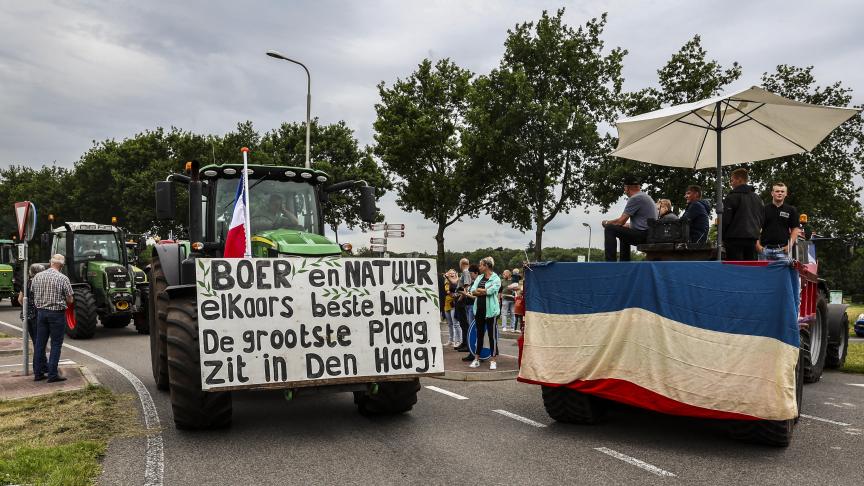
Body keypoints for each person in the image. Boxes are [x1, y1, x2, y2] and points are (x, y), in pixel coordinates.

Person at [31, 254, 74, 382]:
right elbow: (70, 299)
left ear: (50, 262)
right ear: (61, 265)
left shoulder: (37, 276)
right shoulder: (63, 278)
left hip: (41, 313)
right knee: (55, 344)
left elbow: (33, 292)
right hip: (56, 314)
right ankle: (52, 374)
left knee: (40, 344)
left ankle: (38, 373)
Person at [602, 176, 657, 261]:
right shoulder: (645, 197)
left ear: (627, 188)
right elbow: (640, 223)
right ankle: (624, 262)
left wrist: (606, 223)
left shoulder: (635, 198)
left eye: (624, 188)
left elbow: (620, 221)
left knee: (610, 229)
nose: (624, 190)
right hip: (649, 234)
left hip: (643, 235)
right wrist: (626, 225)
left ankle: (610, 263)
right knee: (623, 231)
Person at [722, 168, 764, 261]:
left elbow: (725, 221)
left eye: (732, 180)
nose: (731, 183)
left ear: (739, 180)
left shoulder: (731, 197)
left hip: (733, 241)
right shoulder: (758, 199)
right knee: (750, 270)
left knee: (735, 271)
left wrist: (722, 238)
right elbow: (762, 219)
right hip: (752, 240)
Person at [468, 257, 501, 370]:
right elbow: (472, 290)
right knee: (479, 335)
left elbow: (492, 291)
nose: (479, 267)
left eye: (481, 265)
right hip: (479, 310)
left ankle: (493, 360)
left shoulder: (496, 278)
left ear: (487, 266)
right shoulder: (480, 277)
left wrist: (481, 290)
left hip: (491, 312)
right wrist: (484, 291)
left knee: (492, 336)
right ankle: (476, 359)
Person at [757, 182, 802, 261]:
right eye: (777, 191)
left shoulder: (791, 210)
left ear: (786, 194)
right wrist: (757, 246)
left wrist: (789, 245)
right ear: (772, 193)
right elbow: (756, 227)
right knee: (764, 273)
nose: (780, 193)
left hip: (782, 251)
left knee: (782, 273)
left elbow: (795, 229)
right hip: (765, 250)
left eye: (782, 191)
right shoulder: (763, 209)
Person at [18, 263, 45, 350]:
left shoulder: (27, 283)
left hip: (27, 314)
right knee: (40, 340)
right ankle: (40, 361)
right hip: (38, 314)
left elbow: (20, 299)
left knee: (34, 339)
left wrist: (27, 307)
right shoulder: (41, 283)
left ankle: (38, 360)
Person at [453, 258, 473, 353]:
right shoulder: (466, 272)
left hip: (462, 300)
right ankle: (464, 342)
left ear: (461, 264)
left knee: (464, 323)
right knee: (462, 323)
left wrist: (460, 297)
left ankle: (466, 343)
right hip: (461, 299)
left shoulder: (465, 272)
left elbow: (466, 286)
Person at [442, 270, 462, 348]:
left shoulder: (458, 281)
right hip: (447, 304)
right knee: (450, 324)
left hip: (454, 304)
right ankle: (451, 340)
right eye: (450, 274)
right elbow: (446, 291)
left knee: (456, 324)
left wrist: (451, 293)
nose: (451, 275)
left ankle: (459, 341)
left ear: (455, 274)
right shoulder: (446, 281)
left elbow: (455, 292)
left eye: (453, 273)